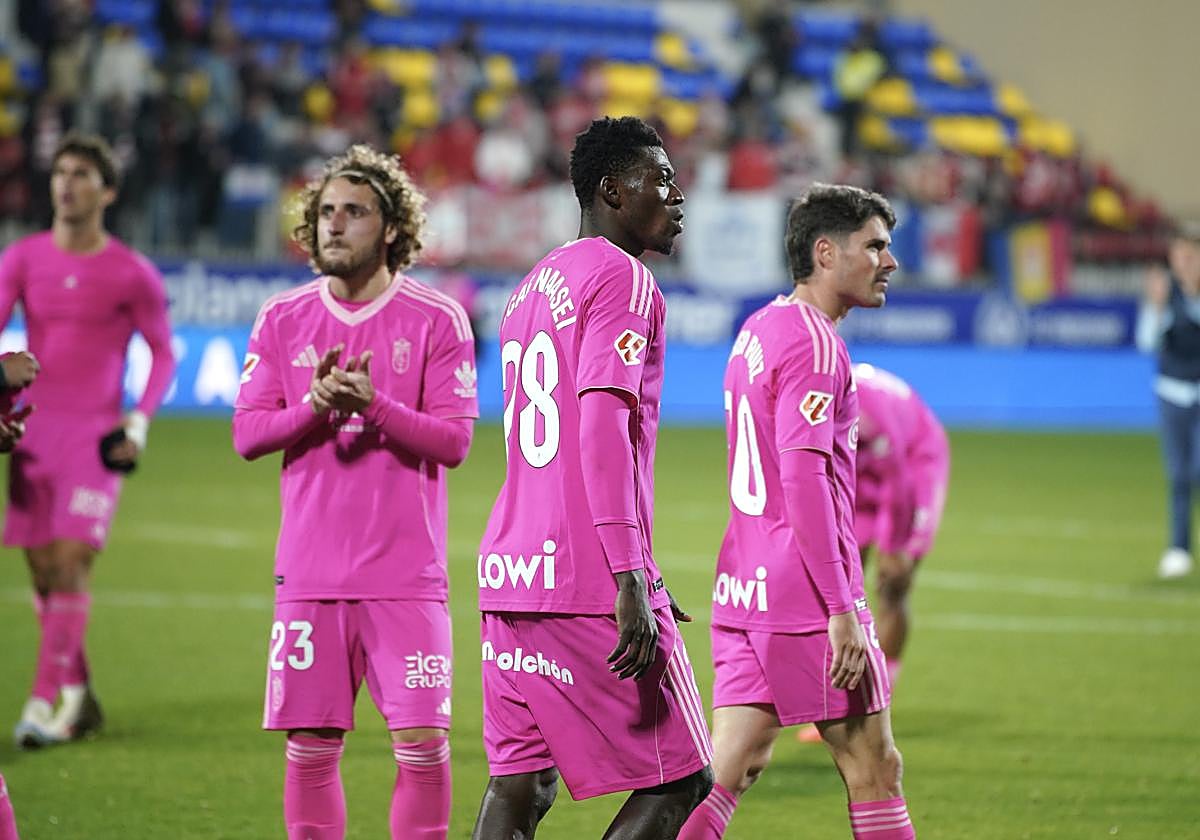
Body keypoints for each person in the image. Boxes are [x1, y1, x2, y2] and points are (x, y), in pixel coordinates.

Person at [472, 116, 713, 840]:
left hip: (510, 571)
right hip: (586, 580)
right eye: (660, 180)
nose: (678, 197)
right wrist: (630, 572)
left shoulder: (532, 286)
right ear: (611, 189)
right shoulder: (623, 277)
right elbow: (601, 427)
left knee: (522, 783)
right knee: (683, 776)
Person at [233, 144, 477, 840]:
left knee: (423, 749)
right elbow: (248, 435)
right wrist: (316, 405)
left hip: (406, 578)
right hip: (310, 576)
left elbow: (454, 443)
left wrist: (372, 407)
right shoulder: (282, 318)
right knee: (310, 750)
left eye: (355, 213)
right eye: (326, 213)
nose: (335, 225)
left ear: (393, 227)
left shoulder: (436, 319)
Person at [679, 184, 915, 840]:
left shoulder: (760, 328)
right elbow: (805, 477)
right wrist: (841, 610)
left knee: (731, 766)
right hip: (804, 596)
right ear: (825, 252)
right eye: (874, 246)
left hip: (744, 585)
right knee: (875, 766)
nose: (888, 262)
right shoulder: (816, 345)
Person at [1, 132, 176, 749]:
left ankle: (45, 701)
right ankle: (80, 696)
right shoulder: (22, 259)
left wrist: (139, 420)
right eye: (60, 172)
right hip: (30, 433)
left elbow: (162, 354)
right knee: (45, 573)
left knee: (72, 561)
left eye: (80, 174)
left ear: (107, 191)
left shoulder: (132, 272)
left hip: (96, 435)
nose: (66, 183)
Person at [795, 362, 948, 745]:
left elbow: (899, 481)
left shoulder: (869, 410)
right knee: (838, 587)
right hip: (859, 464)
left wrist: (896, 549)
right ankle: (837, 702)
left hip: (913, 459)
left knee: (893, 584)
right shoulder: (809, 402)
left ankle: (881, 696)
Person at [1137, 223, 1200, 579]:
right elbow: (1146, 342)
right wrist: (1156, 306)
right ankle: (1179, 548)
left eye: (1192, 256)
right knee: (1179, 474)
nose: (1185, 263)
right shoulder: (1165, 294)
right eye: (1180, 256)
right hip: (1173, 390)